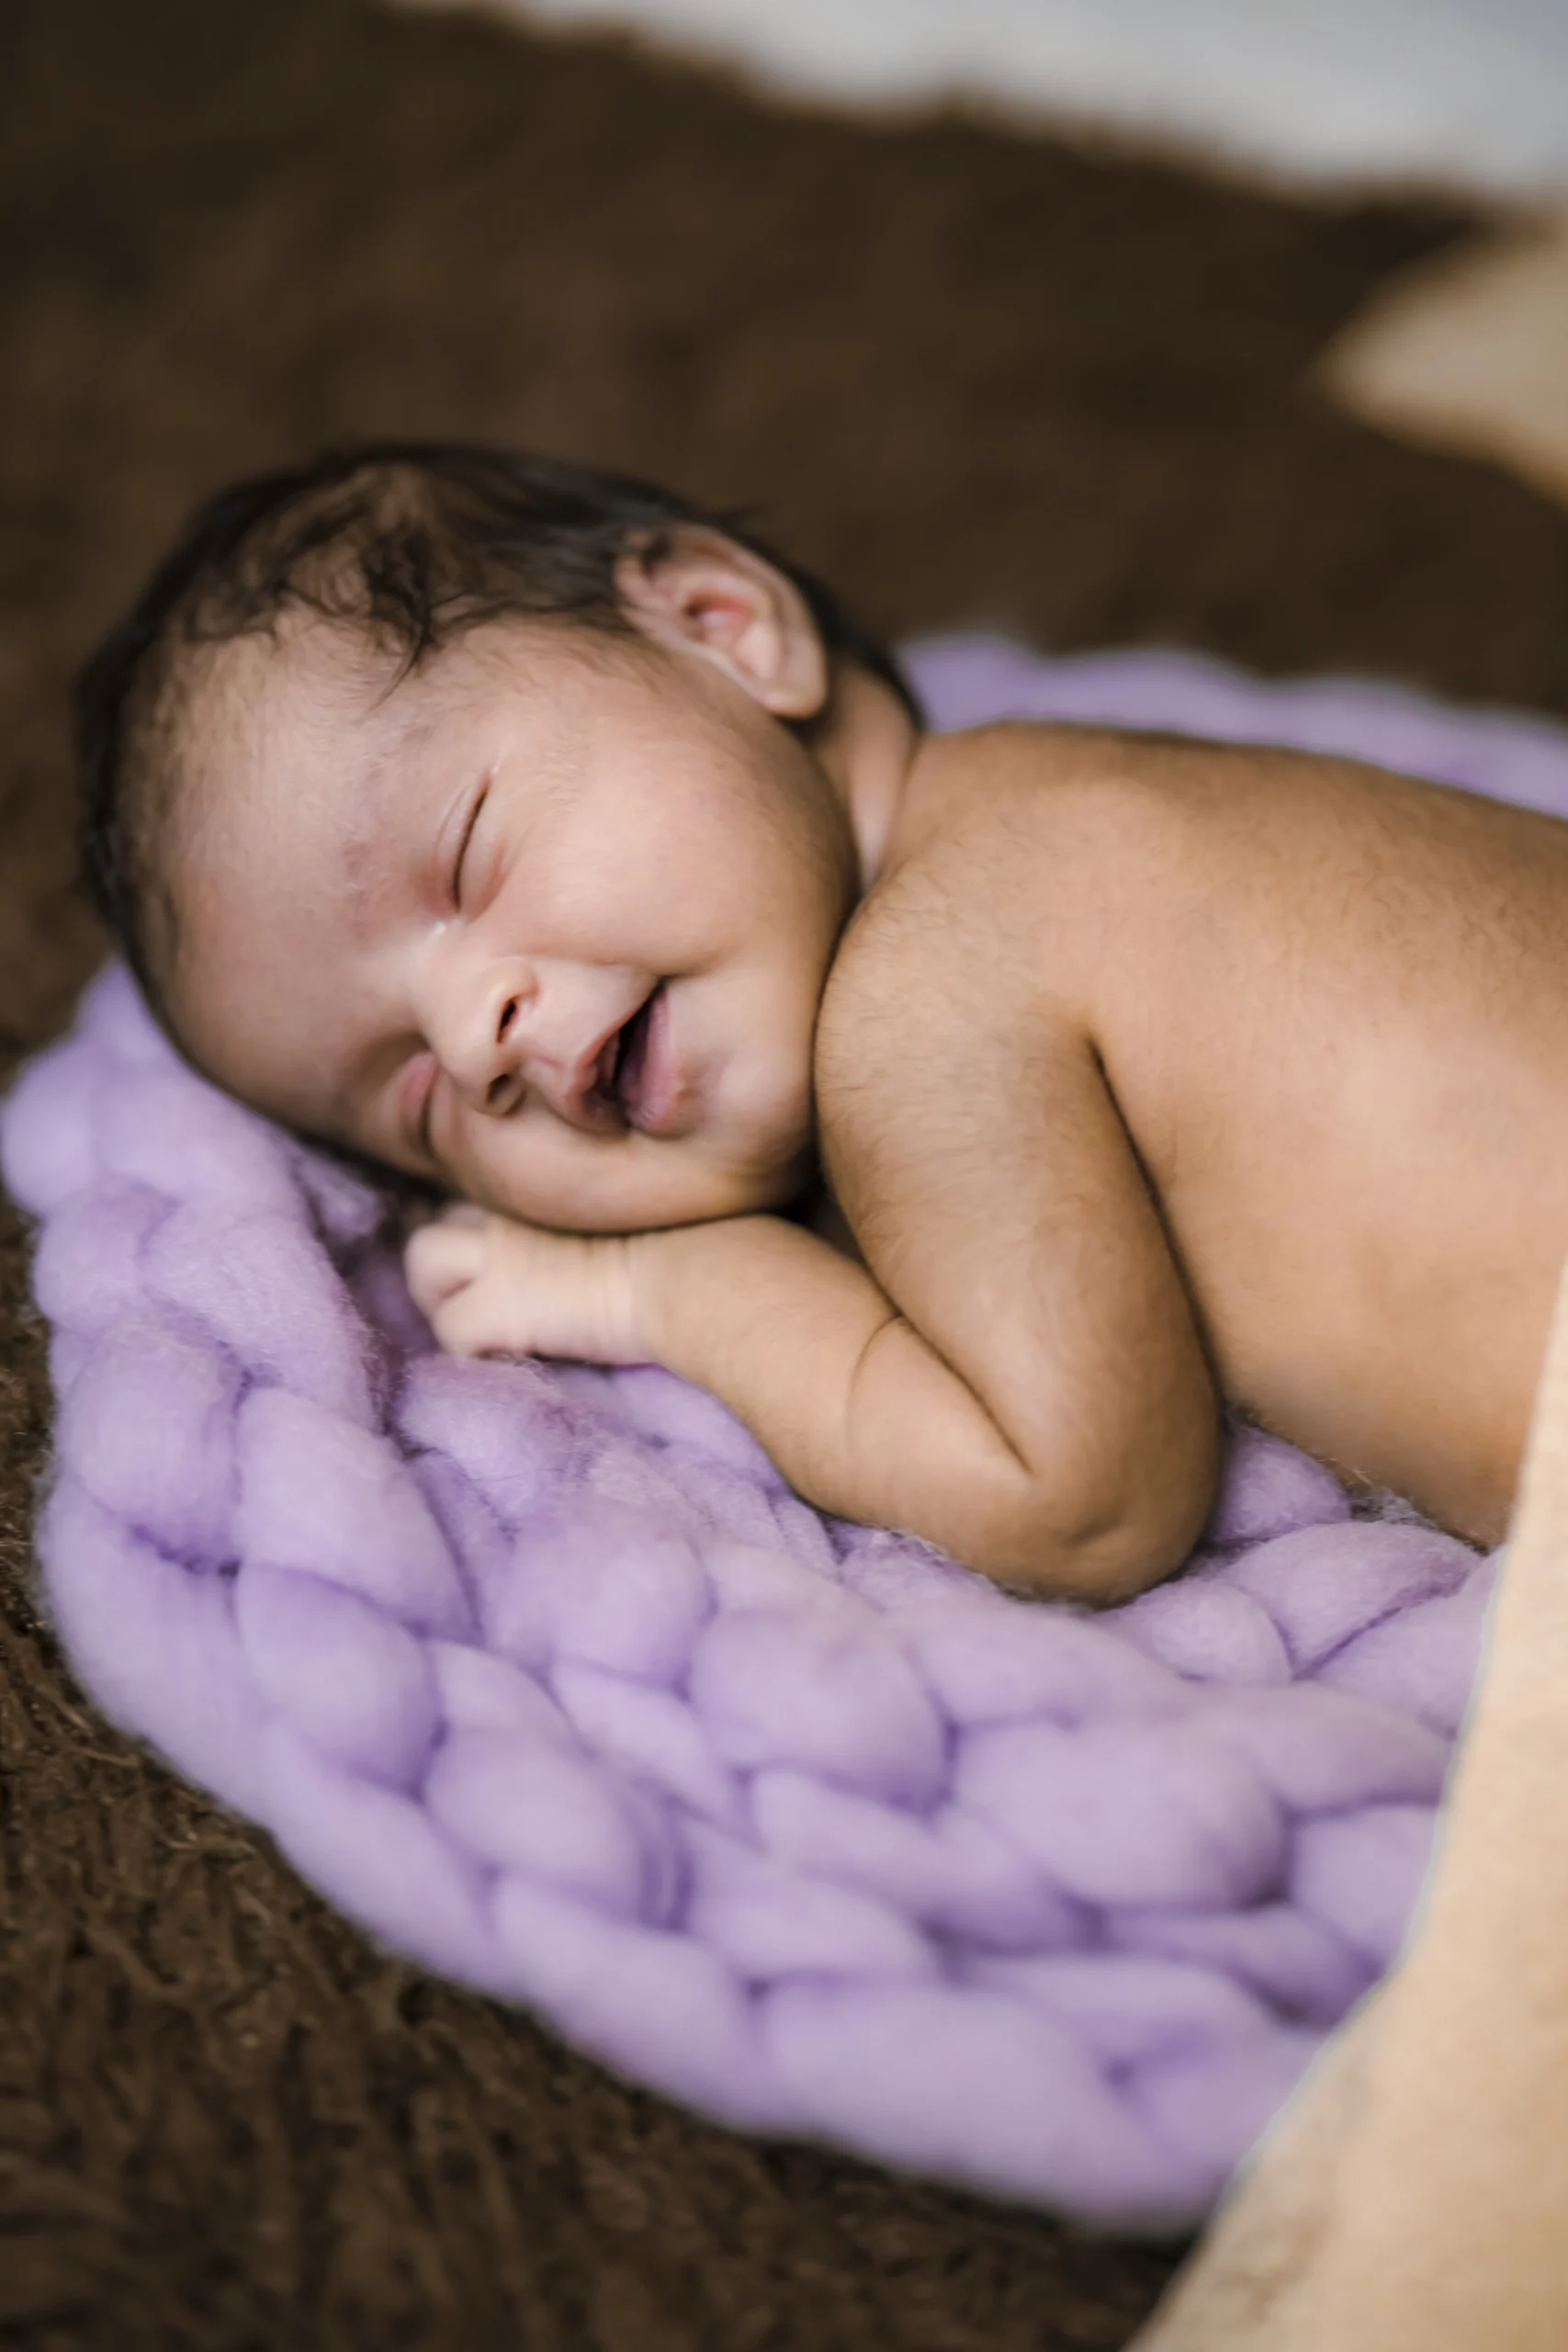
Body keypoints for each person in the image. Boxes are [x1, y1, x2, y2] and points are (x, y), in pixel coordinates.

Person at [74, 440, 1568, 1600]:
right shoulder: (1077, 790)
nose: (477, 1038)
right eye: (413, 1101)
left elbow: (1079, 1498)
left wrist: (657, 1297)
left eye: (466, 858)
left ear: (726, 629)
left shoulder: (931, 989)